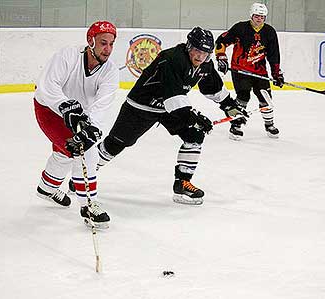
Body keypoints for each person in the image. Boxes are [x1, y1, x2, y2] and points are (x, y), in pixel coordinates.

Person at [96, 27, 247, 205]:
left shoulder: (205, 63)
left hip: (168, 108)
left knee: (194, 135)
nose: (200, 57)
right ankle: (84, 176)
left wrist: (229, 106)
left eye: (205, 53)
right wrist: (194, 117)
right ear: (189, 46)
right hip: (141, 106)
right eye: (197, 51)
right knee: (116, 144)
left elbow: (212, 86)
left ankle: (183, 183)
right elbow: (173, 97)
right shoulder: (173, 59)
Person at [33, 21, 119, 229]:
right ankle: (88, 205)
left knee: (68, 149)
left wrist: (92, 129)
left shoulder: (111, 71)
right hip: (49, 109)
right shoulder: (68, 55)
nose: (107, 49)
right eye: (103, 43)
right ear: (90, 42)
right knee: (86, 151)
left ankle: (47, 187)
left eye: (111, 44)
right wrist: (65, 106)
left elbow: (103, 105)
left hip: (80, 115)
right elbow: (47, 86)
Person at [215, 2, 284, 140]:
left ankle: (269, 125)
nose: (259, 19)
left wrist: (276, 73)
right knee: (243, 97)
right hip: (240, 70)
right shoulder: (240, 28)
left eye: (262, 16)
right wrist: (221, 57)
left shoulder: (269, 32)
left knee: (266, 98)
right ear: (251, 16)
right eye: (257, 16)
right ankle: (236, 125)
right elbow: (221, 41)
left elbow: (274, 54)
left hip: (260, 71)